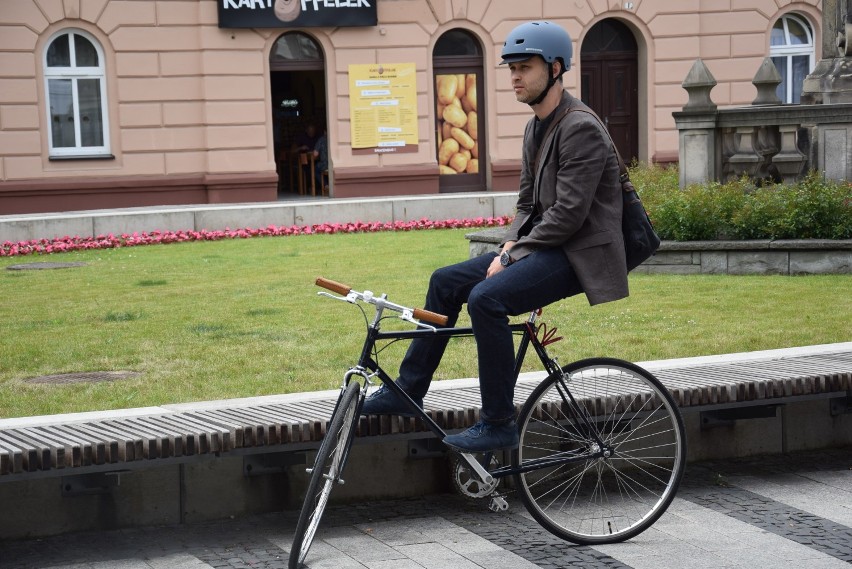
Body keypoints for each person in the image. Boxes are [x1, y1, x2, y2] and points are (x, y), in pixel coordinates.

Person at [361, 21, 629, 453]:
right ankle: (406, 393)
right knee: (445, 281)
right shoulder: (535, 127)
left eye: (525, 67)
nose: (515, 77)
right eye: (511, 68)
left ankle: (499, 422)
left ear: (556, 68)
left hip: (579, 253)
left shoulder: (580, 126)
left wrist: (510, 258)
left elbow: (570, 214)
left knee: (487, 298)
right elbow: (527, 204)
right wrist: (508, 246)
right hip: (548, 245)